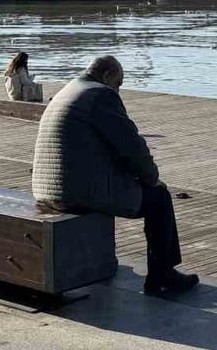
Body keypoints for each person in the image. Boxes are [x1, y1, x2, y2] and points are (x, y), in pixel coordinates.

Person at [32, 55, 198, 295]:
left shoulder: (67, 91)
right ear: (107, 76)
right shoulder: (100, 95)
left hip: (46, 189)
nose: (118, 90)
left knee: (141, 191)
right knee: (159, 198)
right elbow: (131, 146)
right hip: (76, 192)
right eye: (119, 83)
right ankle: (162, 275)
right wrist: (151, 178)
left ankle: (156, 272)